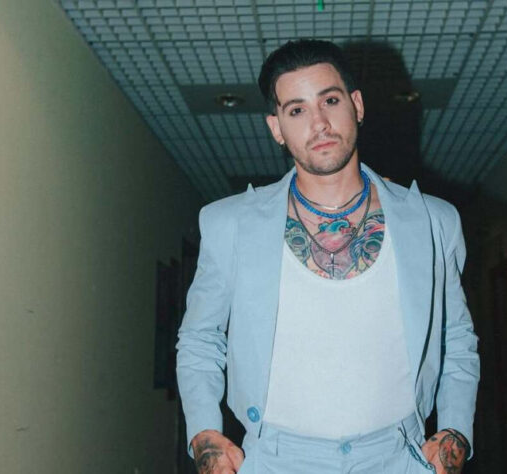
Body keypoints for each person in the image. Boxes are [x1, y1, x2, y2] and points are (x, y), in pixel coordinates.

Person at [176, 39, 479, 474]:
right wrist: (205, 433)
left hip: (398, 456)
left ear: (357, 105)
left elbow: (457, 339)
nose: (318, 123)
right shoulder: (229, 224)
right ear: (276, 127)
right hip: (276, 460)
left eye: (330, 101)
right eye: (296, 110)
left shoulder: (434, 221)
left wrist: (455, 431)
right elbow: (201, 339)